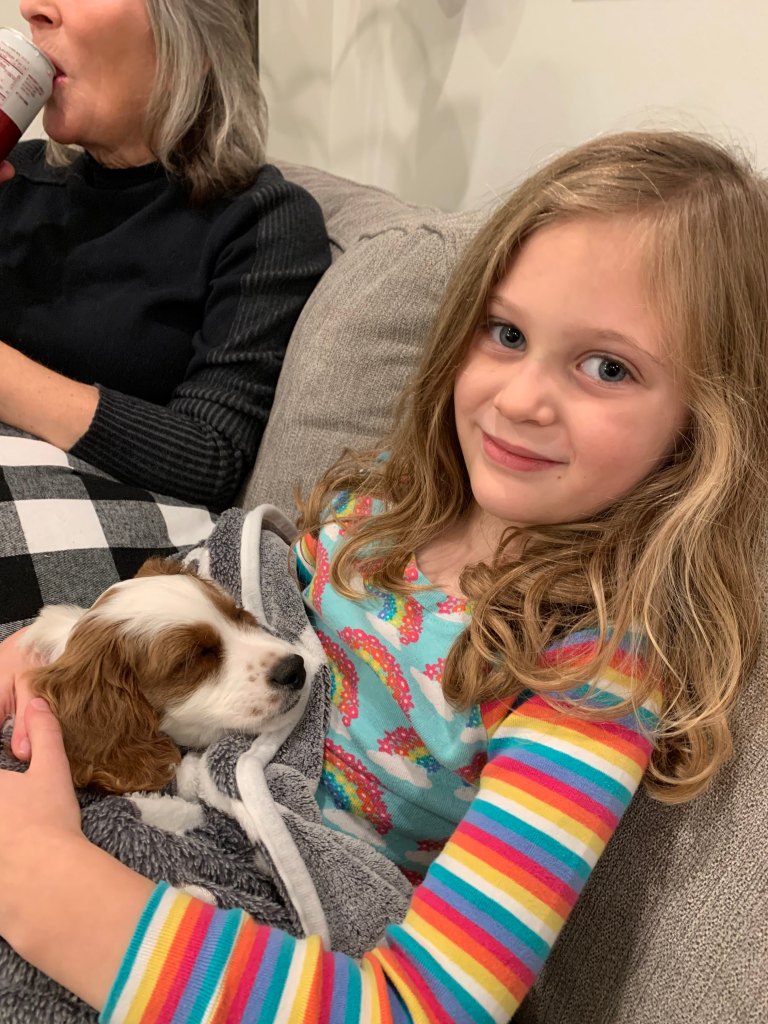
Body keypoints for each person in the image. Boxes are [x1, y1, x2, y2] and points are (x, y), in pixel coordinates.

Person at [1, 129, 767, 1022]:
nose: (521, 398)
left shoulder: (590, 673)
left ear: (704, 422)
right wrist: (44, 655)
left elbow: (423, 1006)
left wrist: (45, 885)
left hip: (254, 922)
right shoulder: (375, 513)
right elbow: (204, 622)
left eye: (608, 367)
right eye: (507, 333)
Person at [0, 0, 330, 511]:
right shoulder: (16, 180)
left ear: (191, 37)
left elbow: (211, 458)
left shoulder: (258, 222)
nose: (32, 8)